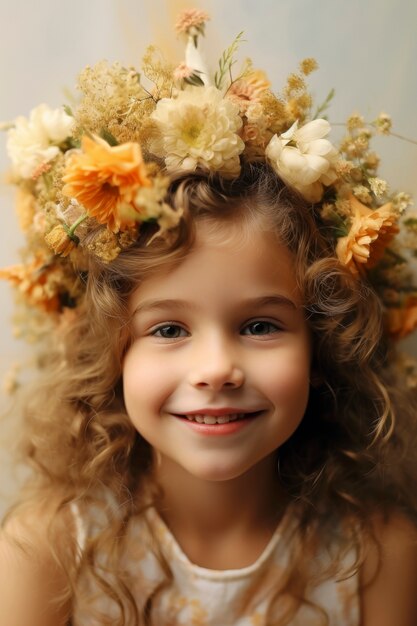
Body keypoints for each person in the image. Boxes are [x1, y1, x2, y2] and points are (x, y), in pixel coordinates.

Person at [1, 9, 417, 626]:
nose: (217, 368)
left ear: (322, 341)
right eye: (168, 329)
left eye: (260, 325)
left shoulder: (379, 551)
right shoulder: (49, 546)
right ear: (109, 351)